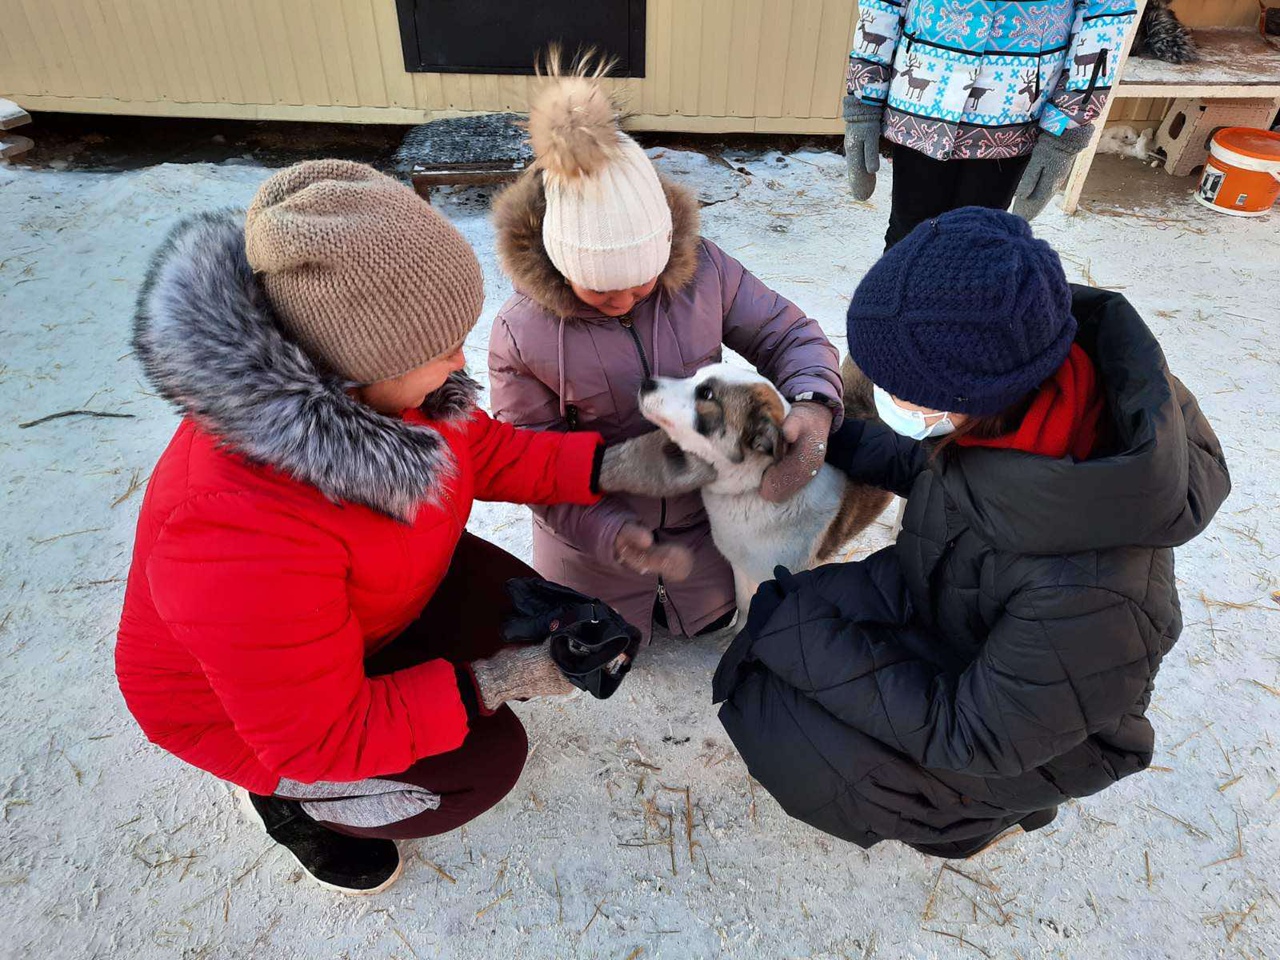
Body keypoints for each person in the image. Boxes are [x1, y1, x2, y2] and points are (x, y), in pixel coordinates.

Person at [114, 161, 698, 895]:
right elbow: (319, 733)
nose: (462, 358)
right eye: (440, 346)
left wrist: (619, 465)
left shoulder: (388, 391)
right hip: (247, 714)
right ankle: (290, 801)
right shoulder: (235, 526)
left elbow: (482, 451)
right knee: (482, 765)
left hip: (355, 615)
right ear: (353, 364)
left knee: (527, 606)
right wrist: (496, 680)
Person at [714, 208, 1230, 858]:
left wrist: (796, 631)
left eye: (899, 390)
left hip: (1015, 731)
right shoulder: (1027, 402)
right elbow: (942, 471)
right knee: (760, 660)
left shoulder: (1096, 588)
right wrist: (830, 437)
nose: (886, 399)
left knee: (785, 728)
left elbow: (979, 736)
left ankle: (978, 819)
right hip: (949, 594)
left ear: (968, 398)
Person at [488, 55, 844, 642]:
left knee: (726, 626)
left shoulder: (706, 275)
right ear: (557, 259)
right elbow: (531, 465)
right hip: (593, 546)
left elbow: (791, 334)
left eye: (643, 279)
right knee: (594, 646)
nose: (624, 297)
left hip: (705, 535)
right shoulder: (521, 334)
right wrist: (611, 533)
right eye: (599, 286)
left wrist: (811, 402)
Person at [842, 0, 1137, 246]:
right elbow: (884, 5)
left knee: (978, 247)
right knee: (909, 238)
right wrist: (862, 102)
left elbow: (1104, 15)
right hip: (923, 110)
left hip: (1013, 120)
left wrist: (1066, 131)